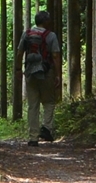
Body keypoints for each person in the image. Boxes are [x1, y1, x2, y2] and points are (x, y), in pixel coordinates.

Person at [17, 10, 62, 145]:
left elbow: (20, 53)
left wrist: (18, 69)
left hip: (30, 72)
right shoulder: (51, 36)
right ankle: (46, 128)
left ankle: (33, 138)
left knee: (33, 105)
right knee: (49, 102)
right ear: (46, 22)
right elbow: (55, 56)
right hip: (46, 73)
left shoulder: (27, 34)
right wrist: (58, 74)